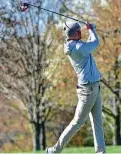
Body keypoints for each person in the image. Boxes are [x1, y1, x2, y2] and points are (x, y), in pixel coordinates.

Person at [45, 21, 105, 154]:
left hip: (94, 86)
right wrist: (92, 30)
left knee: (97, 121)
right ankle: (55, 150)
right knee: (77, 122)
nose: (81, 32)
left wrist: (91, 31)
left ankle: (101, 152)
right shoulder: (76, 49)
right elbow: (95, 43)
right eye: (79, 31)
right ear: (75, 34)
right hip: (87, 90)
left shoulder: (77, 45)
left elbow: (89, 45)